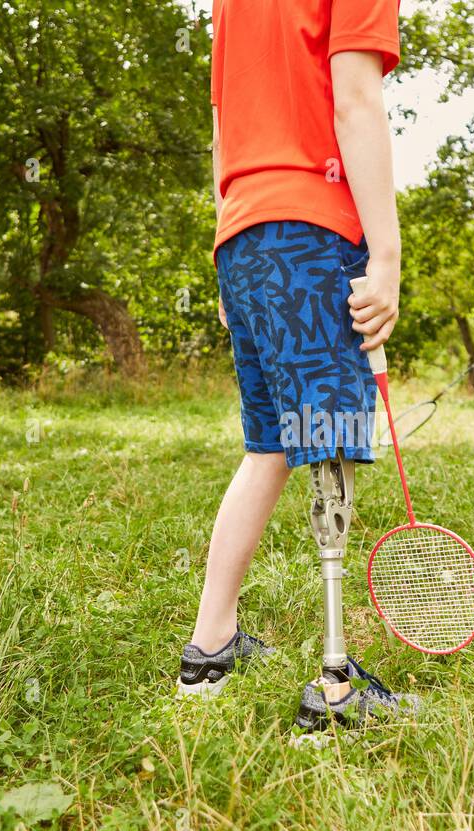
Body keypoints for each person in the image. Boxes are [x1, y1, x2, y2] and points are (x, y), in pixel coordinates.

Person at [176, 0, 419, 728]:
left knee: (271, 446)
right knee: (330, 440)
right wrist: (386, 256)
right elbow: (355, 98)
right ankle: (336, 688)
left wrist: (229, 250)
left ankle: (210, 648)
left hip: (244, 231)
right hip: (312, 225)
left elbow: (222, 132)